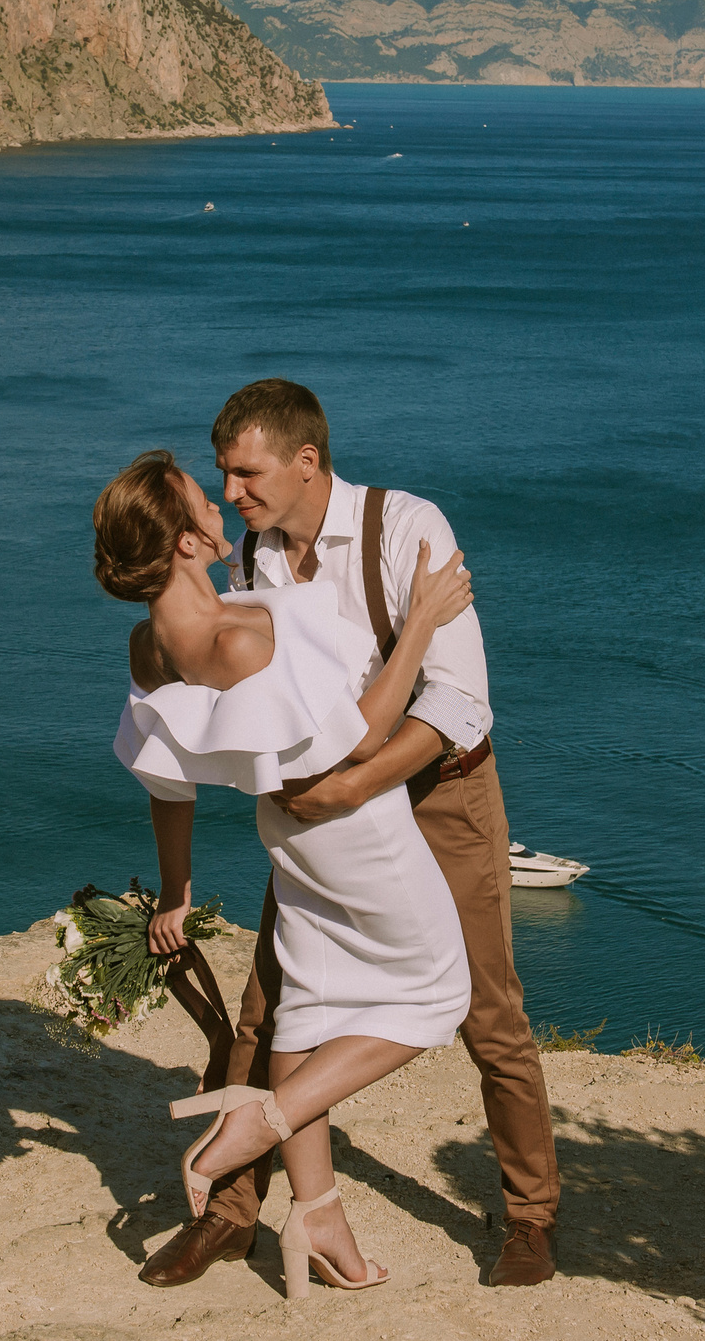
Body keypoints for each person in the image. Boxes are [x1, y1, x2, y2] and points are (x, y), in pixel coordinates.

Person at [139, 378, 561, 1290]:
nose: (235, 493)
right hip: (324, 814)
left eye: (245, 474)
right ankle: (236, 1214)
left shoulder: (409, 528)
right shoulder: (248, 560)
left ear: (306, 460)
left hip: (435, 792)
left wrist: (351, 785)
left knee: (489, 1010)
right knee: (268, 1009)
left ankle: (530, 1218)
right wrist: (322, 797)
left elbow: (457, 698)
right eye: (222, 477)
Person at [97, 450, 475, 1299]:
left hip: (285, 835)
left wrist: (177, 891)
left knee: (306, 1008)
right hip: (355, 830)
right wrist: (421, 620)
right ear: (189, 542)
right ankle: (255, 1123)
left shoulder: (151, 645)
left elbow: (168, 785)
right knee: (438, 998)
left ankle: (318, 1214)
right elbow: (363, 736)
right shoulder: (245, 635)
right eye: (204, 499)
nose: (221, 503)